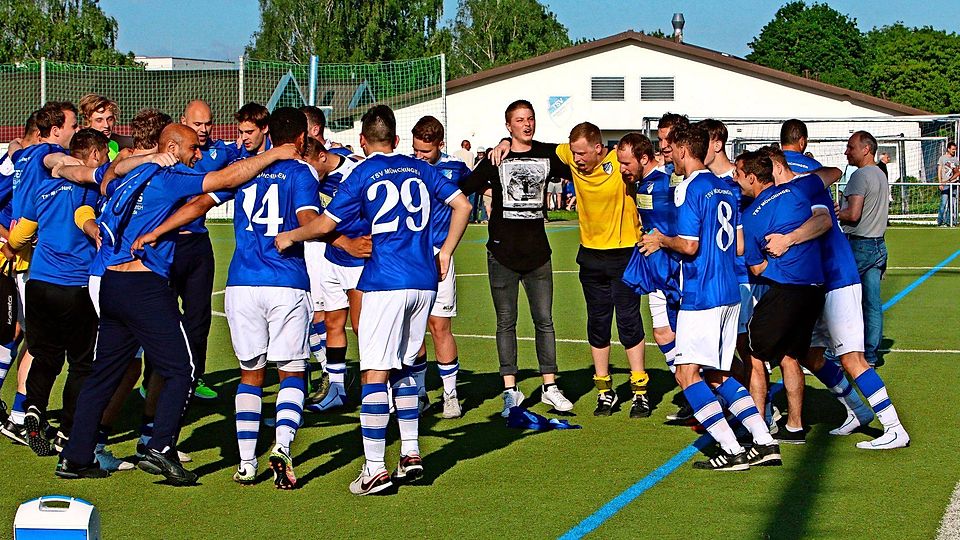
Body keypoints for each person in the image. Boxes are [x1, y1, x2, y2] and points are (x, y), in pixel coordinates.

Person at [55, 124, 299, 484]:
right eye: (191, 150)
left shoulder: (130, 174)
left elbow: (110, 171)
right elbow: (221, 179)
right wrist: (274, 154)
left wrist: (145, 157)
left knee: (105, 372)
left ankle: (75, 458)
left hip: (112, 282)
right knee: (182, 368)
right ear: (171, 147)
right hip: (143, 285)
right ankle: (160, 447)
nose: (196, 155)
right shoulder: (169, 177)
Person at [275, 104, 472, 496]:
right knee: (407, 365)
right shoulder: (421, 168)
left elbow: (326, 225)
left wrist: (290, 237)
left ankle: (375, 468)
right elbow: (463, 205)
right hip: (423, 282)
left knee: (374, 372)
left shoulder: (362, 171)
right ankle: (412, 451)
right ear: (397, 140)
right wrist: (447, 251)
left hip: (385, 282)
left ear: (363, 142)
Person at [138, 108, 322, 488]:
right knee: (291, 371)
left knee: (250, 375)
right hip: (286, 283)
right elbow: (308, 220)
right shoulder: (302, 173)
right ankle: (283, 446)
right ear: (301, 139)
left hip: (241, 285)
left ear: (269, 132)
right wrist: (341, 235)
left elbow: (199, 204)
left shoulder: (245, 168)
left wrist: (157, 230)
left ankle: (246, 463)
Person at [640, 124, 779, 471]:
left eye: (672, 148)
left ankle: (731, 449)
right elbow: (740, 245)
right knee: (718, 374)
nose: (669, 156)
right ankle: (764, 442)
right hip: (730, 291)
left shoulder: (691, 187)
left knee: (687, 374)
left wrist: (660, 240)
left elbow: (689, 244)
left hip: (702, 294)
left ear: (686, 150)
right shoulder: (727, 188)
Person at [760, 147, 911, 450]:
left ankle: (895, 428)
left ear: (776, 168)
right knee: (812, 355)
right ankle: (858, 409)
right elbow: (834, 172)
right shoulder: (792, 192)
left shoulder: (804, 189)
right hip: (816, 285)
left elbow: (825, 220)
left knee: (852, 359)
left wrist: (787, 240)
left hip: (838, 281)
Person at [459, 100, 574, 417]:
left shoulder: (548, 154)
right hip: (502, 254)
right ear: (508, 125)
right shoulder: (497, 158)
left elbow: (579, 163)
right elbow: (465, 186)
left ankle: (550, 386)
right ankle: (510, 389)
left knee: (544, 322)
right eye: (519, 120)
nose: (527, 124)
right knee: (506, 323)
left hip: (538, 255)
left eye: (530, 118)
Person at [4, 127, 102, 458]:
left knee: (44, 353)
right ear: (90, 156)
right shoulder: (88, 189)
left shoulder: (44, 189)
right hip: (74, 286)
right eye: (101, 155)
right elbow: (85, 216)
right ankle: (68, 432)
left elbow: (19, 238)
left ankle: (33, 408)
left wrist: (16, 246)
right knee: (81, 363)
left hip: (38, 284)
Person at [734, 148, 832, 445]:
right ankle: (795, 426)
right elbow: (832, 174)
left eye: (738, 176)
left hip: (785, 290)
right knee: (790, 356)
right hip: (815, 289)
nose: (736, 181)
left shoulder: (751, 218)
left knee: (752, 350)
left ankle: (759, 427)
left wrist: (779, 251)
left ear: (752, 178)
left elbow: (756, 266)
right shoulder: (800, 186)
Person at [559, 122, 649, 418]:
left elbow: (648, 163)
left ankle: (639, 390)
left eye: (583, 153)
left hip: (624, 254)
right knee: (597, 323)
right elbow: (543, 150)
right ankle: (604, 390)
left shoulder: (619, 161)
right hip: (591, 256)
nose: (578, 159)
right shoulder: (571, 157)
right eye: (574, 153)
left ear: (599, 149)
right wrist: (507, 143)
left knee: (628, 321)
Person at [172, 99, 242, 401]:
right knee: (162, 318)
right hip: (166, 245)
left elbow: (251, 153)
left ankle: (193, 377)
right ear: (182, 119)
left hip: (199, 243)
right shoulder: (168, 152)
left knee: (199, 318)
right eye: (196, 123)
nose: (202, 130)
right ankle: (156, 379)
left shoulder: (220, 152)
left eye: (207, 124)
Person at [409, 115, 471, 418]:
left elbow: (482, 186)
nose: (420, 157)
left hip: (440, 255)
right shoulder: (405, 167)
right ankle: (420, 393)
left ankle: (450, 394)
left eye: (426, 152)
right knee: (413, 328)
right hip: (408, 257)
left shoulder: (455, 169)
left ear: (441, 145)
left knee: (440, 326)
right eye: (416, 150)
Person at [838, 131, 888, 368]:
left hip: (859, 244)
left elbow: (854, 214)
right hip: (878, 243)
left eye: (851, 147)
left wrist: (837, 212)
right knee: (872, 303)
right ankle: (870, 354)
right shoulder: (880, 173)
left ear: (866, 149)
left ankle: (832, 353)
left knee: (840, 298)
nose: (847, 151)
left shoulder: (860, 176)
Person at [78, 94, 132, 159]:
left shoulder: (113, 144)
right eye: (99, 120)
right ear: (88, 121)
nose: (106, 125)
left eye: (110, 119)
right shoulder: (81, 148)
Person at [937, 142, 958, 227]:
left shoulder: (955, 159)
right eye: (952, 149)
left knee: (951, 204)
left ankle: (949, 222)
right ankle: (940, 221)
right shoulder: (942, 158)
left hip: (953, 185)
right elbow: (939, 171)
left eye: (955, 149)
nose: (954, 151)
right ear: (948, 149)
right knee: (943, 203)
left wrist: (951, 180)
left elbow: (957, 172)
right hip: (944, 184)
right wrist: (940, 182)